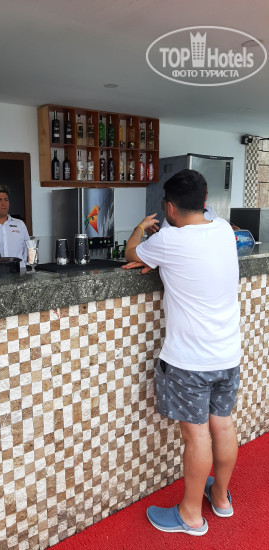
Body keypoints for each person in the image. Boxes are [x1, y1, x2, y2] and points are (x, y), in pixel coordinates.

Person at [123, 169, 241, 536]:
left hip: (190, 361)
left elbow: (131, 252)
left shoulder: (169, 240)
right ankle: (220, 498)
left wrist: (141, 228)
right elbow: (204, 222)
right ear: (205, 201)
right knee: (223, 424)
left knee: (197, 435)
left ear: (169, 208)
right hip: (228, 354)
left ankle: (190, 515)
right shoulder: (224, 229)